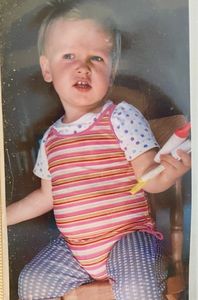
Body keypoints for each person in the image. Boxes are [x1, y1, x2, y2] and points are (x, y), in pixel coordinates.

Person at [6, 1, 191, 299]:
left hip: (128, 239)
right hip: (75, 250)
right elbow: (46, 196)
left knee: (135, 285)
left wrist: (169, 172)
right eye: (68, 55)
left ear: (112, 69)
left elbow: (150, 177)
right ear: (46, 68)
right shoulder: (51, 138)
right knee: (32, 283)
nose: (83, 66)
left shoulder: (120, 116)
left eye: (96, 57)